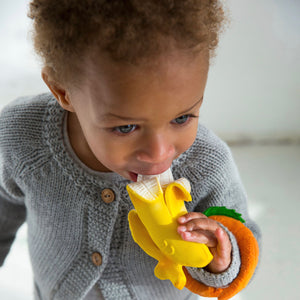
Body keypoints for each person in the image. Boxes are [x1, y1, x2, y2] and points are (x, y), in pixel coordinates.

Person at [0, 1, 261, 299]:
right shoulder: (24, 136)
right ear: (63, 92)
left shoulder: (206, 164)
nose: (159, 153)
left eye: (181, 118)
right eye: (125, 128)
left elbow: (243, 235)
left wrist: (222, 254)